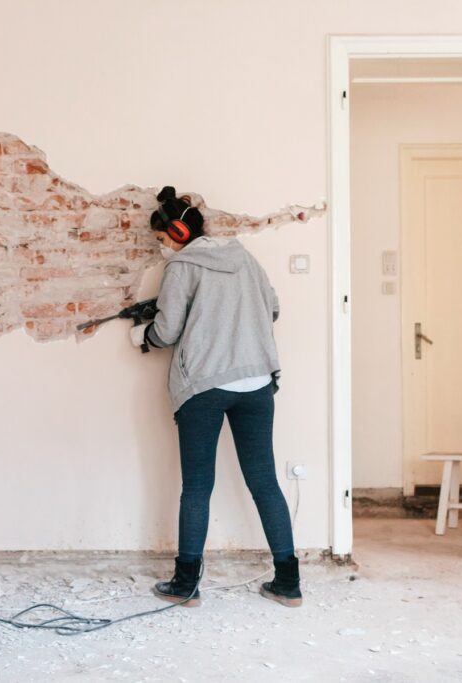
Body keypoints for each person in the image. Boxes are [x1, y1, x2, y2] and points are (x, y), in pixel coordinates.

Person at [133, 186, 301, 608]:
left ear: (177, 234)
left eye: (162, 240)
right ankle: (288, 583)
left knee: (197, 487)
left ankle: (186, 585)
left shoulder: (180, 267)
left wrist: (144, 335)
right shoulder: (245, 258)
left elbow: (167, 331)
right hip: (256, 383)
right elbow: (273, 308)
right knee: (264, 481)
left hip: (204, 387)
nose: (162, 248)